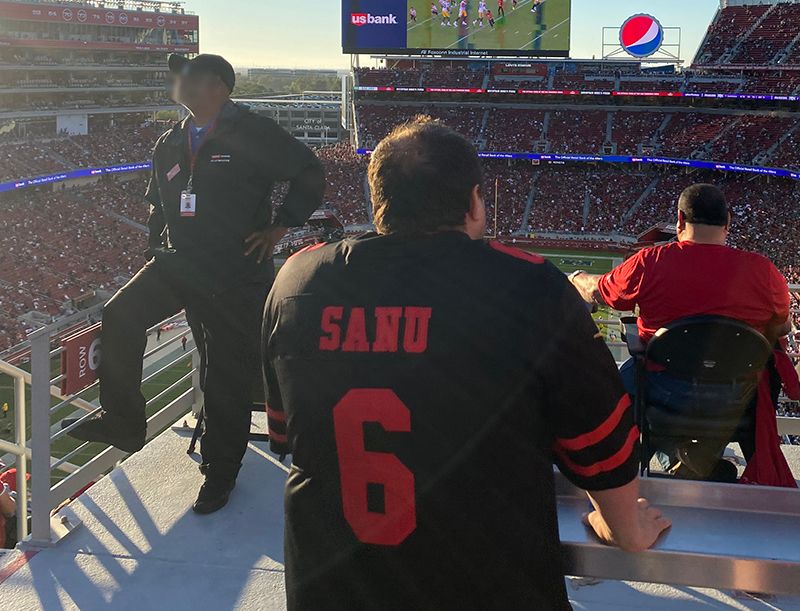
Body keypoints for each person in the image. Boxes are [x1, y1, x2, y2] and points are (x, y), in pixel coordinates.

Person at [262, 117, 670, 610]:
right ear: (475, 201)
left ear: (377, 204)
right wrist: (624, 526)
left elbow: (285, 433)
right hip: (484, 582)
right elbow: (598, 442)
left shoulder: (297, 280)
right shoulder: (529, 285)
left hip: (332, 585)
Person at [61, 53, 325, 515]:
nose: (178, 81)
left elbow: (309, 171)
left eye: (191, 75)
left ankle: (220, 473)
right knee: (121, 313)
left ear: (219, 87)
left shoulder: (253, 132)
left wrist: (280, 226)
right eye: (177, 74)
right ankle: (124, 422)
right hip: (179, 264)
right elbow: (156, 204)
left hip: (234, 271)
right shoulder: (169, 141)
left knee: (224, 373)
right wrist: (153, 246)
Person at [570, 184, 791, 478]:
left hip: (662, 390)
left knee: (605, 392)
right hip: (735, 394)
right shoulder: (762, 271)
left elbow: (600, 292)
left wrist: (577, 278)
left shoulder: (652, 262)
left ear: (680, 219)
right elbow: (783, 325)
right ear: (728, 221)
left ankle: (609, 470)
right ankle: (690, 460)